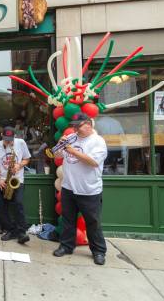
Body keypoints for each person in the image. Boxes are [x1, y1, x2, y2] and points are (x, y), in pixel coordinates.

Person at [52, 112, 108, 266]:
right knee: (68, 220)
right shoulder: (71, 138)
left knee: (93, 222)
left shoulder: (98, 141)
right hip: (69, 187)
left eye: (78, 126)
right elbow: (56, 154)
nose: (75, 129)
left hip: (89, 189)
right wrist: (60, 145)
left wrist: (72, 151)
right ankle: (66, 246)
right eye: (74, 126)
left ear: (88, 124)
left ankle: (98, 251)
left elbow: (93, 162)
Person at [0, 126, 31, 244]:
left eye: (11, 139)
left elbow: (27, 159)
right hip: (1, 181)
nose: (9, 142)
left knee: (18, 203)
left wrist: (19, 165)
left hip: (17, 180)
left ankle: (22, 232)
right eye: (6, 139)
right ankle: (11, 230)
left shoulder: (21, 143)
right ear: (1, 135)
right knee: (0, 206)